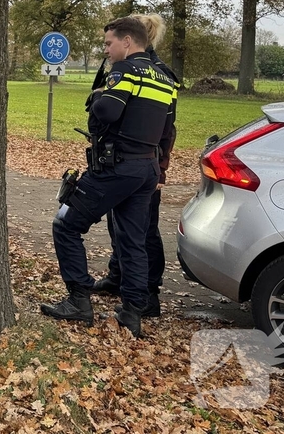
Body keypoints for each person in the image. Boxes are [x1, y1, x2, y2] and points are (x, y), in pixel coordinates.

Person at [40, 17, 177, 337]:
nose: (106, 49)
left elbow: (107, 112)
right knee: (133, 240)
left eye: (108, 43)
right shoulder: (166, 79)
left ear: (127, 41)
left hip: (117, 168)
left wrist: (98, 95)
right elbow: (167, 129)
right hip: (147, 169)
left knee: (65, 224)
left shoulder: (125, 70)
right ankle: (133, 311)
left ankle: (78, 300)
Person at [93, 14, 179, 318]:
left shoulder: (157, 73)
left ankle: (148, 294)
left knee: (144, 230)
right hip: (129, 159)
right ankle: (119, 276)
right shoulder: (128, 66)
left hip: (143, 161)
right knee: (120, 223)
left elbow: (167, 129)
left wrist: (162, 169)